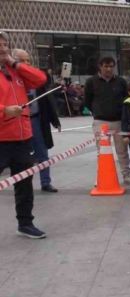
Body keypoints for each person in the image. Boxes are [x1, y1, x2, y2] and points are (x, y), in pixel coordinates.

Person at [0, 31, 48, 238]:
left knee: (24, 184)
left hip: (23, 138)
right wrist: (3, 110)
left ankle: (25, 223)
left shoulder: (15, 71)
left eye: (4, 44)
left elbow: (40, 79)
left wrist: (15, 63)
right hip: (1, 138)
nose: (2, 48)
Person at [13, 48, 61, 193]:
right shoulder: (10, 78)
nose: (26, 63)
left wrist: (55, 120)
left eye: (28, 60)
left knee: (42, 153)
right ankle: (20, 183)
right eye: (22, 60)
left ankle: (46, 182)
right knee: (20, 156)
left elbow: (47, 100)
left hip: (37, 120)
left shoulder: (36, 78)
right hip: (17, 122)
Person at [84, 56, 130, 185]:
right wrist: (96, 111)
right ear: (100, 66)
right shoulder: (91, 82)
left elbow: (126, 99)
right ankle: (101, 176)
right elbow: (87, 100)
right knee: (102, 152)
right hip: (101, 122)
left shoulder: (121, 81)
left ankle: (127, 176)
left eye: (111, 66)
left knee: (122, 151)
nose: (109, 69)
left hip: (119, 121)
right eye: (106, 66)